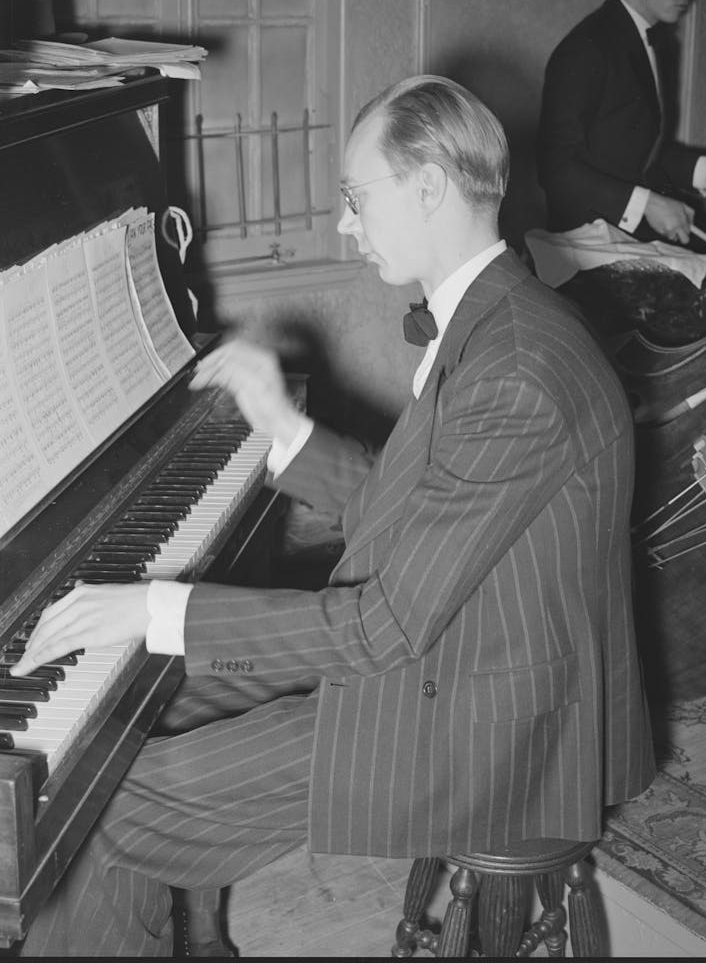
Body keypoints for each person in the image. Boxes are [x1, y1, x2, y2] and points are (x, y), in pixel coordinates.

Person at [14, 74, 655, 957]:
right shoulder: (499, 317)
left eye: (356, 199)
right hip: (468, 657)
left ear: (429, 184)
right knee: (160, 697)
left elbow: (383, 625)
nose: (345, 225)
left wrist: (156, 608)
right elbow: (411, 519)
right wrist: (282, 428)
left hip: (489, 729)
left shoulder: (514, 367)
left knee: (104, 805)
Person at [537, 0, 706, 245]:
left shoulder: (652, 42)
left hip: (632, 231)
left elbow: (638, 151)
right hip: (589, 241)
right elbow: (555, 169)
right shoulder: (585, 48)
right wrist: (648, 204)